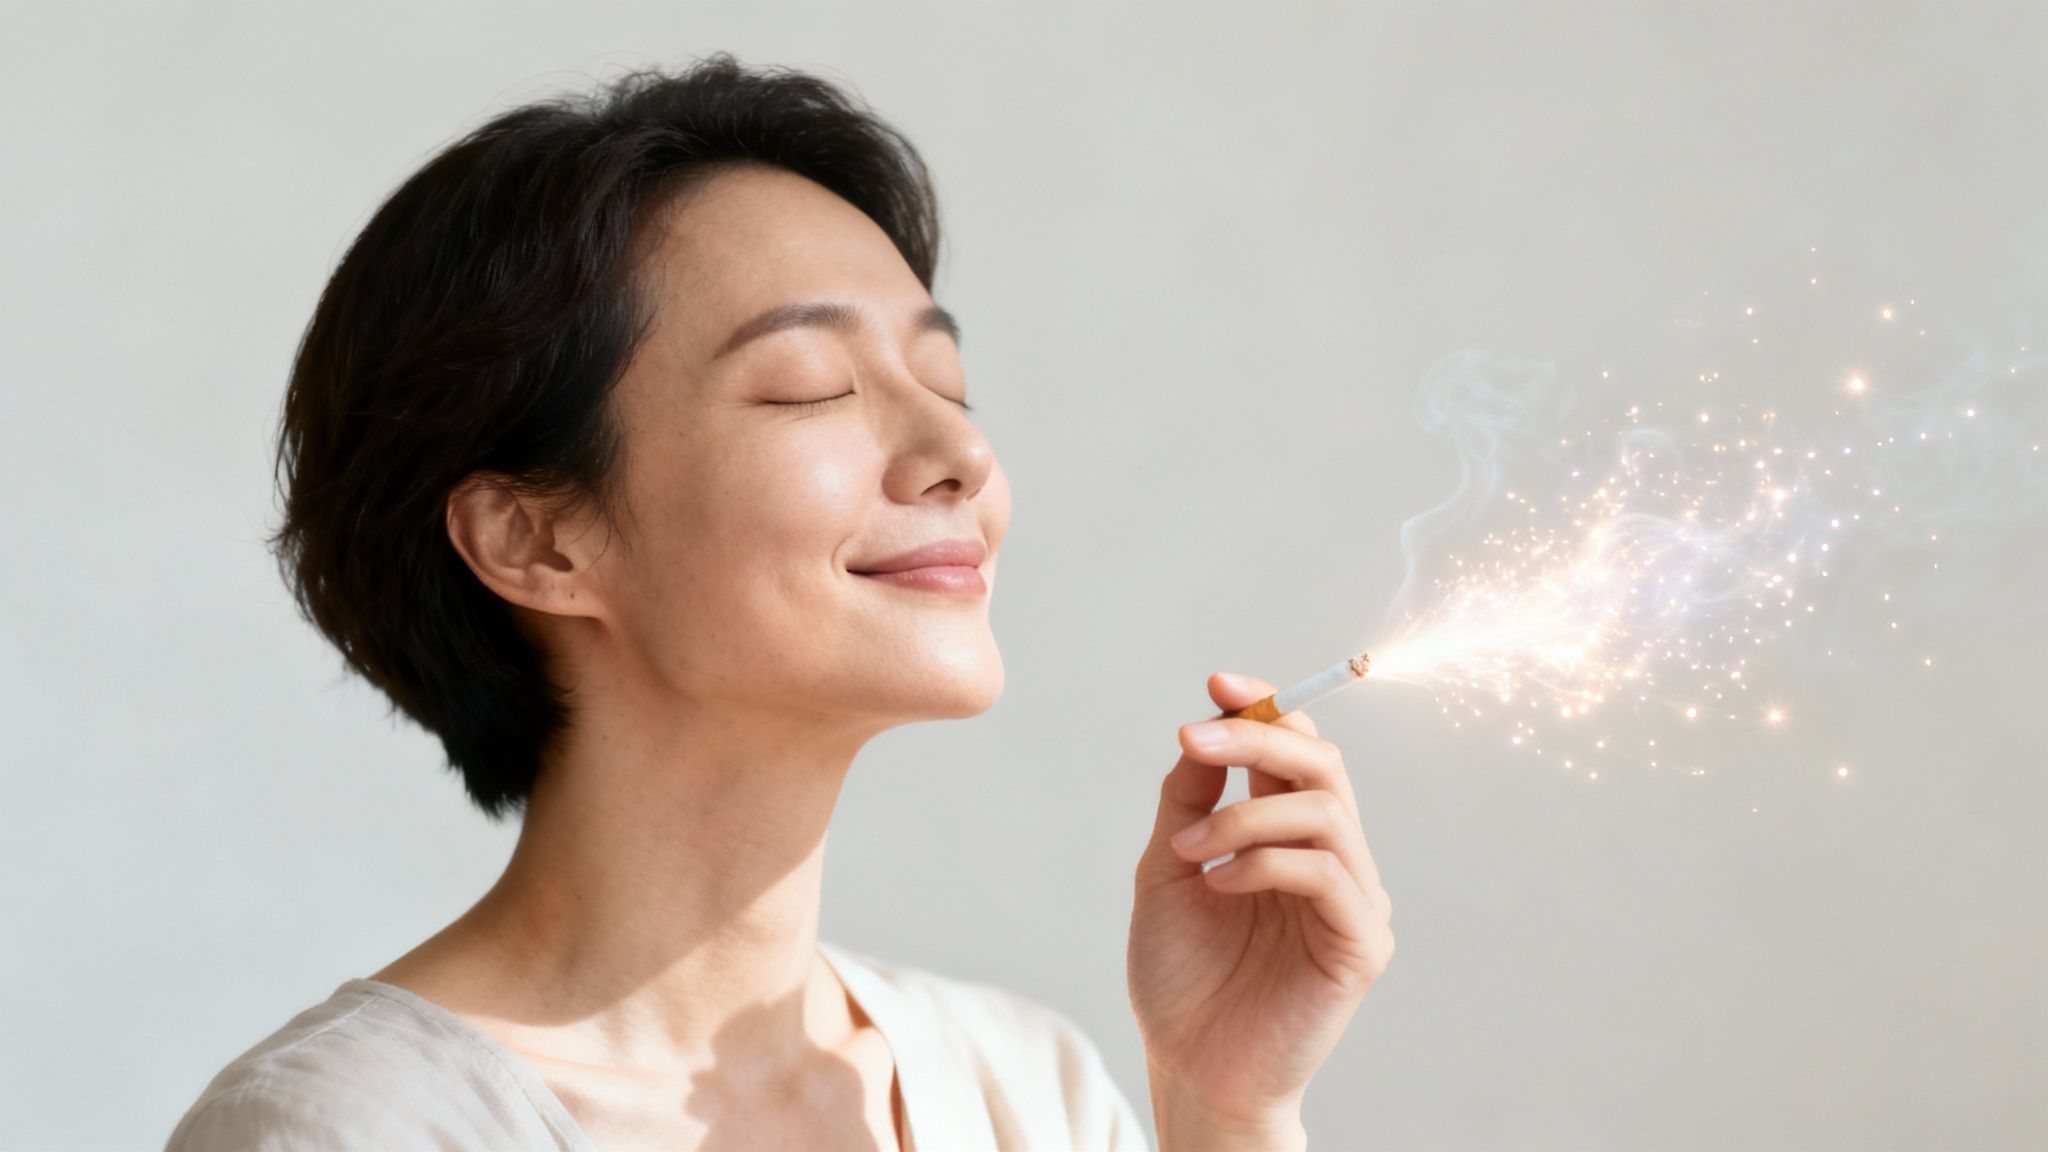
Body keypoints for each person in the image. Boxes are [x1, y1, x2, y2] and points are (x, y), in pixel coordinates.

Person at [165, 53, 1394, 1152]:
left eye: (947, 381)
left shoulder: (1024, 1089)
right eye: (808, 386)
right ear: (533, 539)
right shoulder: (348, 1129)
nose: (955, 454)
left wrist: (1224, 1110)